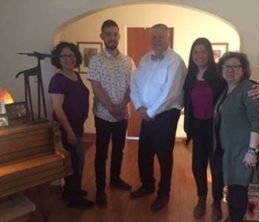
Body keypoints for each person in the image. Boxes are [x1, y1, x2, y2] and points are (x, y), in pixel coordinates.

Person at [183, 38, 259, 221]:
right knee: (198, 167)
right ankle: (202, 199)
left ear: (210, 54)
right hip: (198, 129)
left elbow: (245, 87)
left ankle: (217, 203)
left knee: (219, 170)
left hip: (217, 130)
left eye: (203, 51)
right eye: (195, 52)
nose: (199, 55)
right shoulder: (189, 76)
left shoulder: (218, 75)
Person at [130, 23, 187, 212]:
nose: (156, 40)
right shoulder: (145, 59)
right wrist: (139, 107)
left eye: (160, 37)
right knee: (144, 152)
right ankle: (147, 186)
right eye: (153, 37)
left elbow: (171, 92)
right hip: (146, 113)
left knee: (164, 155)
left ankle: (164, 193)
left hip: (166, 115)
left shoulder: (176, 61)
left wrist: (151, 112)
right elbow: (135, 84)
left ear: (168, 37)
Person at [88, 19, 134, 207]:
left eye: (115, 34)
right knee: (101, 152)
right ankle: (100, 188)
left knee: (119, 150)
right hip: (103, 116)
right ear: (102, 37)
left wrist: (121, 106)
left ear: (119, 36)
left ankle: (115, 179)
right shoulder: (95, 60)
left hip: (122, 115)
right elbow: (96, 88)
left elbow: (133, 86)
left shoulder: (128, 61)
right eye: (108, 34)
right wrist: (112, 108)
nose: (112, 37)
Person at [214, 52, 259, 222]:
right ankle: (234, 217)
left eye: (236, 66)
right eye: (227, 66)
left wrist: (252, 151)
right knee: (233, 187)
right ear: (221, 69)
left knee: (239, 188)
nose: (231, 70)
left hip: (243, 150)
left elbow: (257, 121)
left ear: (244, 70)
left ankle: (236, 218)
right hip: (230, 149)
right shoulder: (227, 90)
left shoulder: (248, 89)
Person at [49, 42, 94, 209]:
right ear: (58, 59)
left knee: (76, 161)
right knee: (75, 162)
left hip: (77, 125)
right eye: (64, 56)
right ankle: (74, 199)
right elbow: (58, 109)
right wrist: (69, 132)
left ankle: (70, 191)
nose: (68, 59)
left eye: (72, 55)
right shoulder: (58, 79)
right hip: (67, 128)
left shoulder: (75, 75)